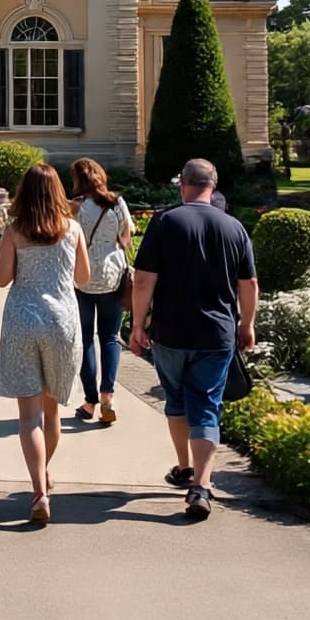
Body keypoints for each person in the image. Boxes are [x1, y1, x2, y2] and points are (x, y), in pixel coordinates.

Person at [129, 158, 258, 521]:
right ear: (213, 186)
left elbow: (143, 279)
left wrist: (138, 324)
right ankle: (200, 485)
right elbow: (248, 284)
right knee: (206, 406)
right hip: (216, 334)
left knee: (177, 399)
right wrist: (246, 324)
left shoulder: (165, 221)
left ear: (182, 183)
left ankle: (184, 468)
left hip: (170, 331)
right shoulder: (234, 227)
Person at [0, 164, 91, 523]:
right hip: (62, 322)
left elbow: (0, 279)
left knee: (28, 416)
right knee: (52, 411)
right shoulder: (72, 229)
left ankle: (39, 491)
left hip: (22, 320)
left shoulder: (15, 231)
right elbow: (84, 277)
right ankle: (45, 473)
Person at [70, 158, 134, 426]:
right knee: (110, 337)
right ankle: (107, 395)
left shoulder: (76, 206)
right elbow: (128, 234)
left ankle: (89, 401)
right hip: (112, 273)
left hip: (82, 275)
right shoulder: (116, 202)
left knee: (85, 339)